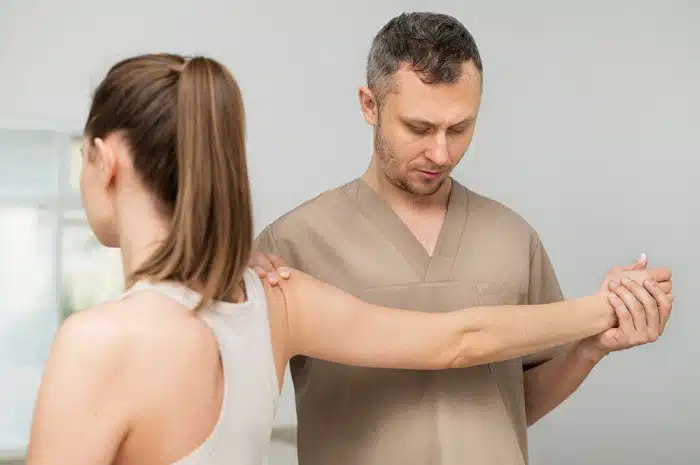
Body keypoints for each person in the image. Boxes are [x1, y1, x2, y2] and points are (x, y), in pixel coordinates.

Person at [23, 53, 670, 465]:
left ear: (103, 158)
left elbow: (467, 341)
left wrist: (594, 331)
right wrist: (602, 308)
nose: (440, 150)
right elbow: (460, 337)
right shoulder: (275, 296)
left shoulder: (96, 342)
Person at [252, 12, 675, 465]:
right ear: (369, 105)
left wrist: (590, 348)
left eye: (460, 128)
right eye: (419, 128)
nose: (442, 152)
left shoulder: (512, 237)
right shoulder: (290, 245)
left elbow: (515, 403)